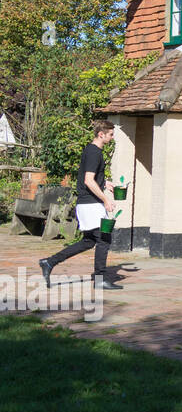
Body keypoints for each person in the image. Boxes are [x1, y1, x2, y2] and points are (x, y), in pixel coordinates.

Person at [40, 120, 121, 289]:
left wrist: (105, 182)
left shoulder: (92, 151)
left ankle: (49, 262)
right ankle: (100, 280)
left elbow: (91, 177)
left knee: (89, 241)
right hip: (91, 205)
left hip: (87, 204)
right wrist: (106, 200)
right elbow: (88, 181)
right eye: (111, 134)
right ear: (101, 134)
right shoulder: (94, 153)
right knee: (104, 239)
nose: (112, 138)